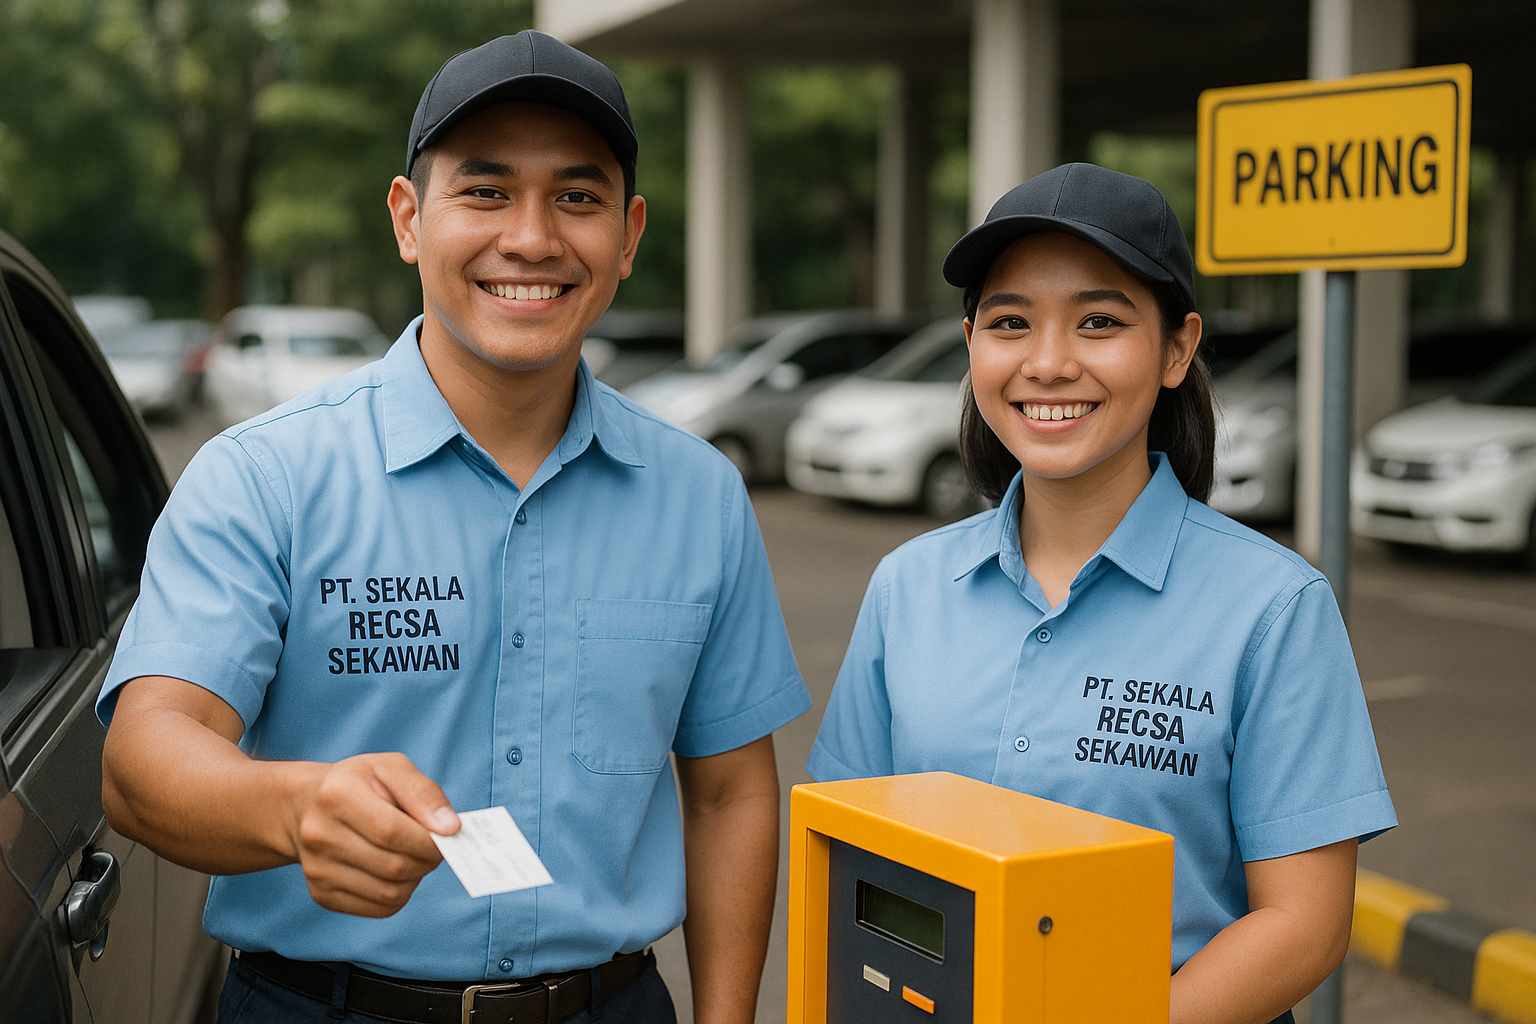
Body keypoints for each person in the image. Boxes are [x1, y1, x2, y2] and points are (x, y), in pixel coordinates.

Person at [98, 31, 810, 1024]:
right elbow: (144, 757)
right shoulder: (265, 476)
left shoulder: (701, 495)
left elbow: (730, 794)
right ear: (408, 218)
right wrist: (295, 809)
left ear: (630, 234)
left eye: (578, 196)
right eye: (484, 191)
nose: (532, 238)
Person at [806, 163, 1396, 1024]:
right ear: (971, 345)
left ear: (1177, 349)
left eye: (1100, 322)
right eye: (1011, 322)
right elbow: (851, 857)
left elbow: (1303, 924)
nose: (1049, 363)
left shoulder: (1273, 607)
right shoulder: (908, 587)